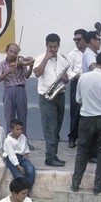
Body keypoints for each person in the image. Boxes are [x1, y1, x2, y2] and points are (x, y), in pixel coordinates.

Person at [70, 52, 101, 195]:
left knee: (82, 151)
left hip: (86, 119)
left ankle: (75, 183)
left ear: (97, 62)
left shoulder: (83, 78)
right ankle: (97, 185)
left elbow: (78, 100)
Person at [32, 33, 70, 167]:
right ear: (46, 45)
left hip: (59, 95)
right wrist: (46, 59)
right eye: (50, 47)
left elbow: (67, 77)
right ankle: (49, 158)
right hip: (47, 97)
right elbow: (37, 73)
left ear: (59, 45)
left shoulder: (63, 59)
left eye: (55, 47)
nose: (52, 49)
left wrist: (66, 79)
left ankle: (54, 155)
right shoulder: (40, 58)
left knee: (57, 127)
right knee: (50, 128)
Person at [0, 42, 35, 150]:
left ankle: (24, 142)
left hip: (21, 89)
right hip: (9, 90)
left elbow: (26, 76)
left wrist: (30, 67)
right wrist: (8, 72)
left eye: (15, 52)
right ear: (6, 51)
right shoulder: (1, 65)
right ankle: (10, 143)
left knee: (22, 117)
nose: (13, 54)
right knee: (9, 117)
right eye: (10, 51)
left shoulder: (20, 63)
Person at [66, 29, 87, 149]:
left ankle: (83, 139)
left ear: (85, 39)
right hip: (77, 82)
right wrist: (77, 76)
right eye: (75, 39)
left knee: (87, 111)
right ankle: (72, 137)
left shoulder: (90, 52)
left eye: (79, 39)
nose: (76, 41)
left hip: (89, 83)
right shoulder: (72, 54)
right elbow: (68, 70)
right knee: (75, 111)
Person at [3, 119, 36, 190]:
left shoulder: (23, 137)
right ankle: (22, 192)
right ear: (11, 129)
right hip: (11, 159)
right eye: (17, 129)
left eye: (21, 129)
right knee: (19, 175)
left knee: (31, 169)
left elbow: (25, 146)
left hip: (21, 156)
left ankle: (27, 190)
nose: (20, 131)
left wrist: (25, 154)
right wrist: (18, 166)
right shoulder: (8, 140)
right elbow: (11, 155)